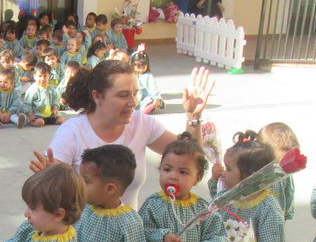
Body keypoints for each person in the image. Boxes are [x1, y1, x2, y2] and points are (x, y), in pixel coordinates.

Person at [30, 62, 213, 208]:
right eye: (123, 95)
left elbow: (190, 158)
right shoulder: (71, 132)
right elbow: (51, 197)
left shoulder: (142, 123)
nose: (132, 102)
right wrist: (49, 179)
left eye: (135, 93)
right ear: (97, 96)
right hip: (83, 238)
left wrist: (193, 116)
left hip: (128, 233)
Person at [256, 122, 301, 242]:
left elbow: (288, 197)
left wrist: (285, 216)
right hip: (249, 226)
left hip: (272, 228)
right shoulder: (253, 172)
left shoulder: (285, 176)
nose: (281, 165)